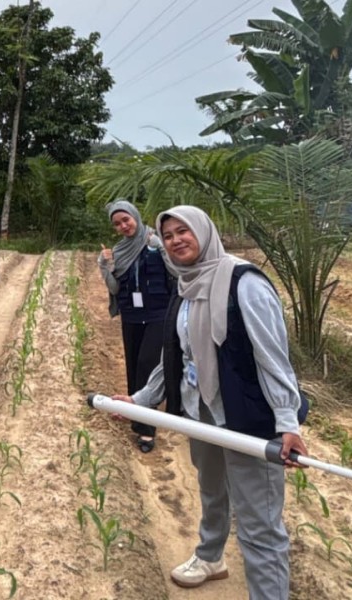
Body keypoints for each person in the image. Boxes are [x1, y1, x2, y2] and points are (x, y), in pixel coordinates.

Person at [111, 205, 308, 598]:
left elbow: (274, 357)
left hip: (248, 416)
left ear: (204, 231)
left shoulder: (244, 282)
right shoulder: (186, 285)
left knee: (259, 522)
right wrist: (140, 399)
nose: (175, 240)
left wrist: (287, 422)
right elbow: (177, 355)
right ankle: (211, 555)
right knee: (212, 488)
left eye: (183, 231)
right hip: (200, 410)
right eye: (167, 236)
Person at [98, 199, 173, 453]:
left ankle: (147, 430)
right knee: (133, 365)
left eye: (126, 220)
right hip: (131, 316)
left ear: (135, 217)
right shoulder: (118, 250)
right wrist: (105, 266)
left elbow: (175, 272)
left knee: (147, 365)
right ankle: (137, 417)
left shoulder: (155, 239)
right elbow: (115, 288)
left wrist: (161, 248)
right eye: (117, 223)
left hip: (158, 314)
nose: (123, 226)